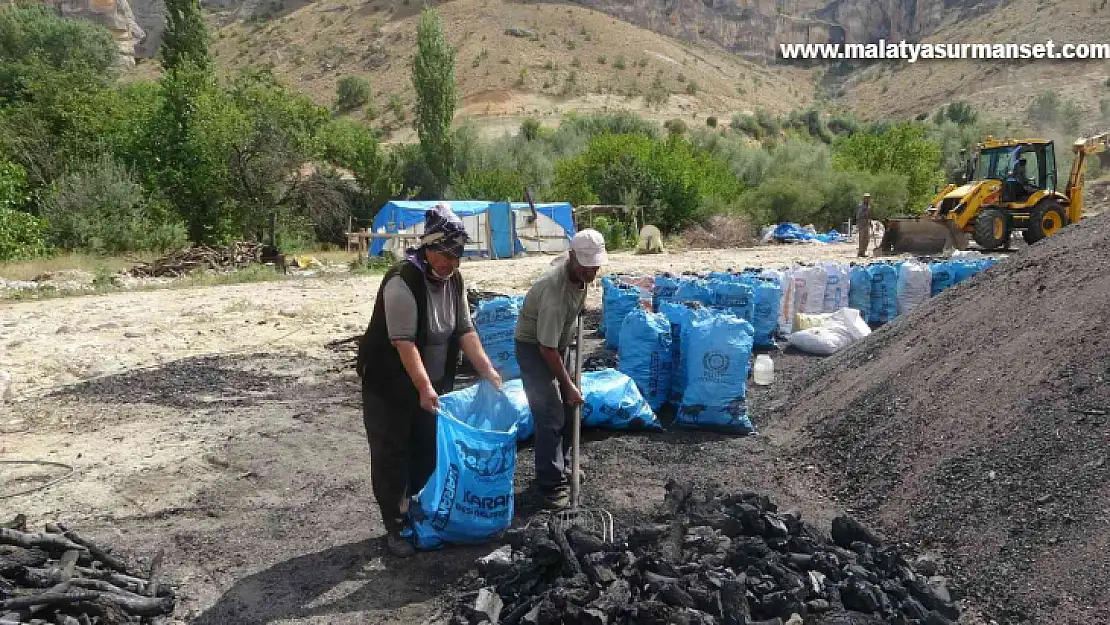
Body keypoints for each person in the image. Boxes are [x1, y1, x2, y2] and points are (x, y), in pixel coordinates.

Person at [356, 203, 503, 557]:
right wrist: (424, 387)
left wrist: (489, 370)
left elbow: (465, 330)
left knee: (426, 448)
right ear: (429, 247)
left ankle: (418, 512)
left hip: (431, 384)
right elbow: (404, 343)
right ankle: (395, 524)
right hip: (390, 384)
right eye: (446, 255)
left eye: (458, 256)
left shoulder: (454, 281)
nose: (452, 263)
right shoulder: (401, 282)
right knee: (392, 454)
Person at [514, 229, 608, 510]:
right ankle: (550, 484)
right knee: (550, 414)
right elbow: (546, 349)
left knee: (569, 409)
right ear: (572, 258)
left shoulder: (578, 272)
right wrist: (566, 384)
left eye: (595, 266)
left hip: (556, 342)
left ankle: (562, 465)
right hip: (534, 348)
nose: (591, 272)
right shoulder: (554, 293)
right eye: (586, 266)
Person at [856, 192, 872, 258]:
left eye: (868, 198)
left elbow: (869, 215)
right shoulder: (861, 206)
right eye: (866, 198)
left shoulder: (868, 206)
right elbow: (859, 215)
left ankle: (863, 252)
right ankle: (860, 252)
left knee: (867, 239)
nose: (868, 199)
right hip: (862, 223)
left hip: (866, 223)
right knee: (862, 238)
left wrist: (869, 221)